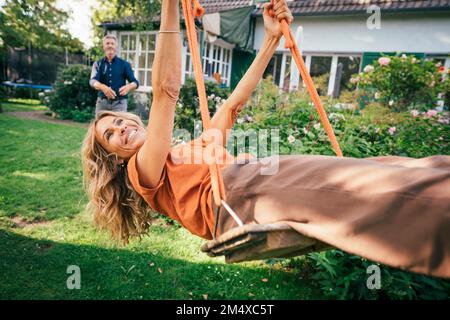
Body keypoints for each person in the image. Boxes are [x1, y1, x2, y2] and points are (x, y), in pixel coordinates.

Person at [81, 0, 450, 279]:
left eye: (116, 121)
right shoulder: (140, 172)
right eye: (111, 136)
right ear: (115, 157)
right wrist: (169, 7)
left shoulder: (184, 153)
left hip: (251, 181)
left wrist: (271, 40)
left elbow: (234, 107)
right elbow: (165, 92)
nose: (121, 129)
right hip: (241, 195)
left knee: (402, 169)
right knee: (391, 192)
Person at [89, 34, 139, 113]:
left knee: (119, 125)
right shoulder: (97, 64)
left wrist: (129, 86)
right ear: (103, 47)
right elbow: (92, 81)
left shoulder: (125, 64)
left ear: (116, 47)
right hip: (102, 103)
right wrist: (103, 87)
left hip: (120, 104)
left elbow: (135, 82)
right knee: (100, 125)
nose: (110, 46)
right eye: (107, 43)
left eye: (112, 43)